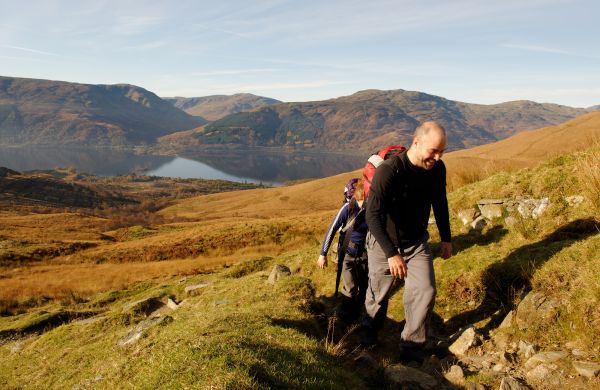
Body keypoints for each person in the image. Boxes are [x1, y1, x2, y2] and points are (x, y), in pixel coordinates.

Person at [362, 121, 452, 359]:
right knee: (378, 295)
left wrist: (446, 238)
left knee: (425, 289)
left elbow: (440, 202)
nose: (438, 156)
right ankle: (369, 334)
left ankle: (411, 347)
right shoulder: (390, 170)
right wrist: (391, 253)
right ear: (416, 142)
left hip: (416, 242)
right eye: (434, 150)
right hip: (383, 244)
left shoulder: (437, 168)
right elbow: (372, 215)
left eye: (442, 151)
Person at [317, 179, 369, 323]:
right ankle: (344, 319)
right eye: (361, 200)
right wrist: (323, 254)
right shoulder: (347, 208)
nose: (363, 204)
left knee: (365, 285)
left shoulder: (372, 208)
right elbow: (332, 229)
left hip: (365, 254)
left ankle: (358, 312)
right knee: (351, 286)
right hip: (347, 253)